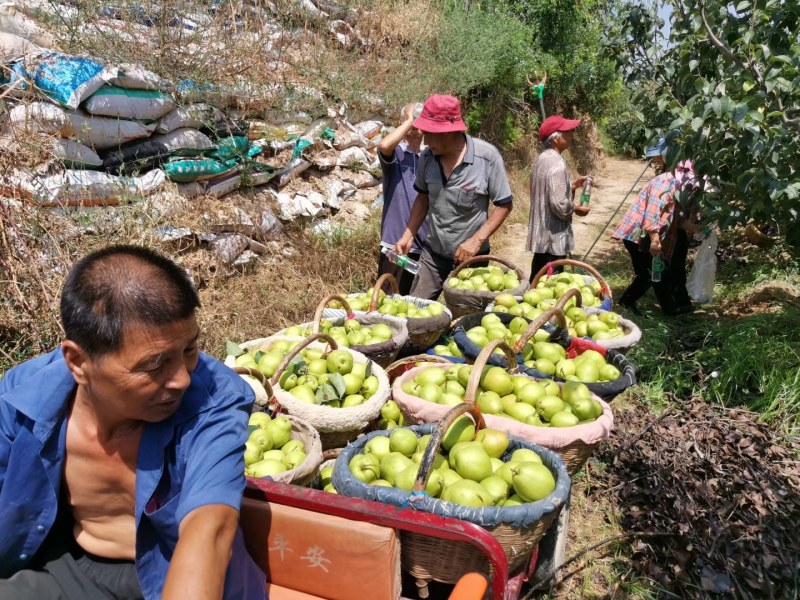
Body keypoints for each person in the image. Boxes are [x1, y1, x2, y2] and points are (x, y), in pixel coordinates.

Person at [0, 245, 266, 599]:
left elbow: (209, 529)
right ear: (78, 362)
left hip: (173, 575)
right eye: (155, 364)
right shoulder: (23, 397)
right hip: (70, 570)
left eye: (189, 349)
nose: (182, 380)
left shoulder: (214, 401)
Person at [394, 94, 513, 300]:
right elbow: (423, 198)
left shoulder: (486, 157)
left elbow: (504, 204)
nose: (426, 141)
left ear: (451, 132)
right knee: (415, 312)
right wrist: (408, 234)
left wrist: (476, 240)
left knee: (465, 319)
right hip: (433, 255)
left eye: (430, 134)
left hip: (471, 260)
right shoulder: (427, 157)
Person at [611, 139, 692, 316]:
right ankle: (627, 303)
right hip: (638, 234)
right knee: (650, 273)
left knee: (655, 273)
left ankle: (668, 310)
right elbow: (652, 213)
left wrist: (696, 227)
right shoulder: (666, 183)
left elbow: (675, 216)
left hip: (645, 233)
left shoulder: (678, 186)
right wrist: (655, 240)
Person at [525, 114, 590, 282]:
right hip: (553, 238)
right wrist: (577, 208)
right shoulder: (557, 163)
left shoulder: (541, 159)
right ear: (555, 139)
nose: (570, 136)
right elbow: (559, 204)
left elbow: (550, 189)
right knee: (551, 283)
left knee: (537, 278)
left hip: (542, 236)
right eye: (566, 132)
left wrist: (572, 185)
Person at [377, 101, 427, 295]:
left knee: (414, 303)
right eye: (410, 119)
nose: (415, 125)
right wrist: (409, 120)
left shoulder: (430, 156)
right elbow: (384, 144)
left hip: (424, 245)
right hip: (395, 245)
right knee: (388, 298)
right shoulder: (396, 154)